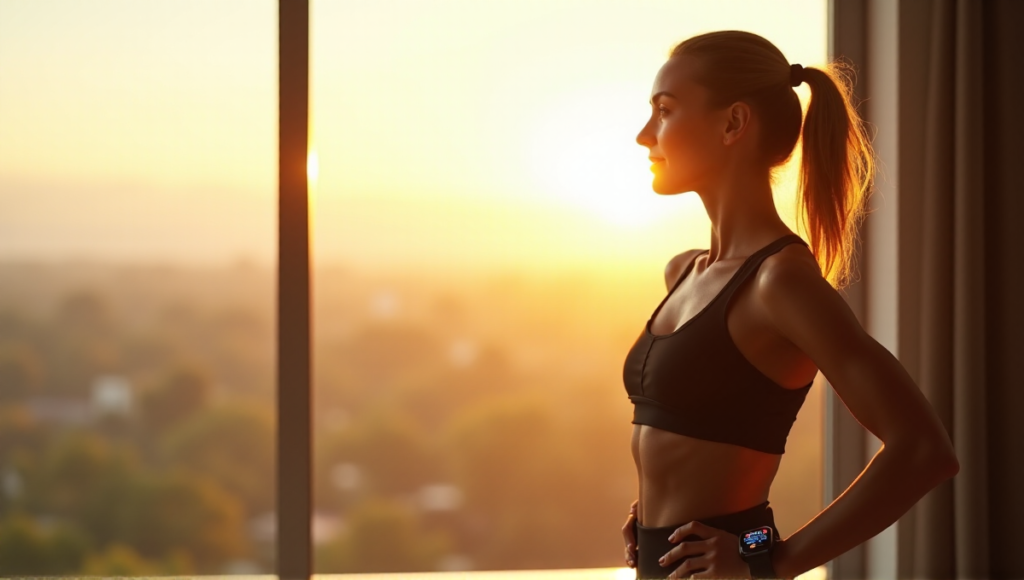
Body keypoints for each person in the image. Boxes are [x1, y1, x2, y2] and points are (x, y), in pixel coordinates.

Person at [620, 30, 959, 580]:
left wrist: (765, 559)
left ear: (733, 123)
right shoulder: (683, 271)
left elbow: (924, 451)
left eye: (664, 111)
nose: (643, 135)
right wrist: (653, 515)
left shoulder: (780, 284)